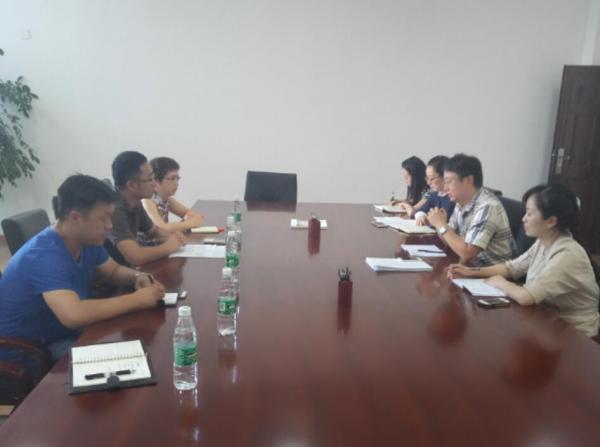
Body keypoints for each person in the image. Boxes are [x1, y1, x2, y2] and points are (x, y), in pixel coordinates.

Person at [0, 175, 166, 361]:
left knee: (139, 345)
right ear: (75, 218)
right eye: (103, 219)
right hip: (28, 352)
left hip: (60, 331)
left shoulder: (86, 239)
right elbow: (74, 315)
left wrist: (137, 276)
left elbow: (113, 271)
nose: (110, 226)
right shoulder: (44, 255)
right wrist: (137, 300)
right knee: (128, 359)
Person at [448, 184, 600, 337]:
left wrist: (501, 283)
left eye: (529, 213)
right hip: (546, 320)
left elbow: (526, 297)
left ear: (551, 221)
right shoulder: (544, 241)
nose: (523, 219)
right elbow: (511, 268)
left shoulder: (568, 255)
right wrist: (472, 271)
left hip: (575, 334)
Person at [427, 153, 515, 266]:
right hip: (469, 267)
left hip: (491, 272)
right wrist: (441, 225)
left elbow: (468, 252)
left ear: (468, 180)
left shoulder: (487, 206)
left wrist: (441, 225)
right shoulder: (461, 202)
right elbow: (450, 241)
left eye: (448, 182)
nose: (445, 187)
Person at [107, 151, 187, 266]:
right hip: (118, 273)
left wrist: (173, 236)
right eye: (150, 179)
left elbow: (154, 231)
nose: (154, 183)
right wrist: (169, 247)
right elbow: (135, 257)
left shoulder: (135, 202)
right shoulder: (114, 210)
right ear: (132, 185)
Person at [141, 157, 204, 232]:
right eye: (172, 178)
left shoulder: (167, 200)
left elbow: (193, 215)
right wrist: (190, 223)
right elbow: (161, 228)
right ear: (155, 181)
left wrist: (189, 221)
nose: (176, 183)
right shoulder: (147, 201)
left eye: (178, 178)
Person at [412, 155, 455, 225]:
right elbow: (422, 209)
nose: (428, 183)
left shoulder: (453, 197)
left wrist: (429, 220)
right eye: (427, 178)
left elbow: (443, 220)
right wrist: (421, 216)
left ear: (444, 176)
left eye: (432, 179)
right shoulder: (435, 195)